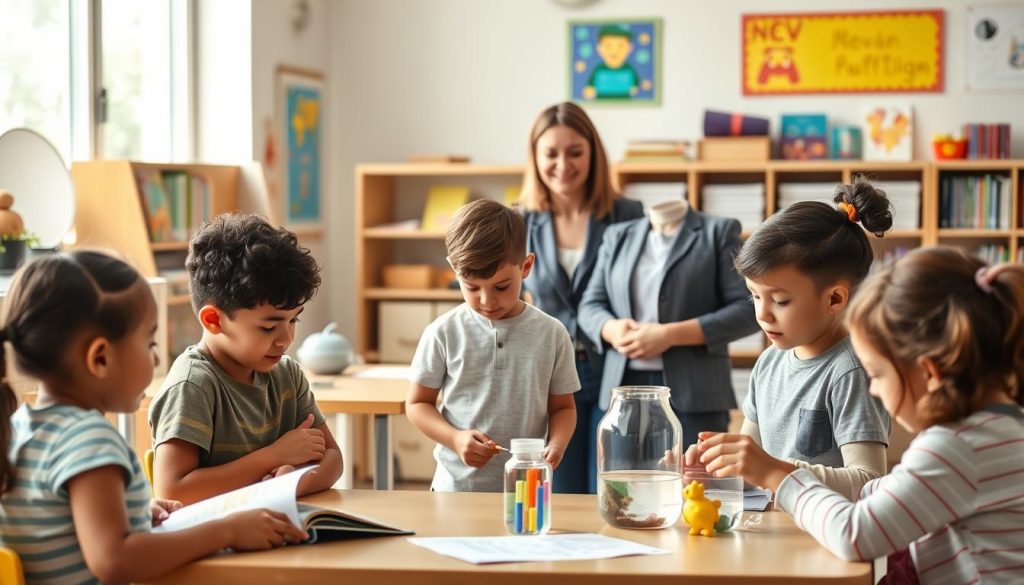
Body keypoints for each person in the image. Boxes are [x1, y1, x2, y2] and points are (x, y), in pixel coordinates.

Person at [705, 246, 1024, 584]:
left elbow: (854, 536)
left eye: (878, 375)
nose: (873, 390)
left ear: (928, 373)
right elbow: (890, 491)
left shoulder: (957, 447)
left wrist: (779, 478)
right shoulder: (998, 428)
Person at [0, 251, 307, 585]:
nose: (158, 356)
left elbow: (52, 525)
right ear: (100, 357)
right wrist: (227, 531)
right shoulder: (88, 439)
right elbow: (114, 560)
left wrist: (130, 514)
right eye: (149, 343)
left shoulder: (18, 427)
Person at [691, 176, 893, 500]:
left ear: (834, 300)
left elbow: (870, 483)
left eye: (780, 301)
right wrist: (708, 470)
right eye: (754, 296)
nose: (763, 315)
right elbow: (752, 468)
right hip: (776, 533)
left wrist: (775, 471)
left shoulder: (851, 371)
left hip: (827, 539)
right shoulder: (769, 362)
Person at [149, 213, 342, 504]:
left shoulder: (287, 375)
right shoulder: (194, 385)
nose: (286, 338)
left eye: (293, 321)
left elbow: (333, 458)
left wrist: (290, 482)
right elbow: (173, 490)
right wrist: (274, 457)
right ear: (214, 320)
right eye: (268, 327)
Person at [406, 198, 580, 492]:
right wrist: (455, 439)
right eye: (472, 287)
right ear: (454, 270)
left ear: (526, 267)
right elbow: (417, 404)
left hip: (527, 491)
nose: (487, 301)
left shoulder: (552, 334)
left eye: (502, 286)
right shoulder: (442, 332)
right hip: (455, 489)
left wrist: (557, 445)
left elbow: (563, 408)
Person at [520, 101, 644, 494]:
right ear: (535, 158)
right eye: (551, 154)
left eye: (575, 153)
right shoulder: (519, 219)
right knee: (559, 485)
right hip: (549, 371)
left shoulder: (628, 213)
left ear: (594, 154)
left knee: (611, 486)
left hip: (611, 368)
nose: (563, 164)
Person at [577, 194, 760, 451]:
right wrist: (611, 329)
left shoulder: (718, 231)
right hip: (621, 389)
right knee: (617, 486)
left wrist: (669, 335)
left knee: (693, 483)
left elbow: (748, 308)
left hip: (695, 393)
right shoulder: (617, 235)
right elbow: (590, 305)